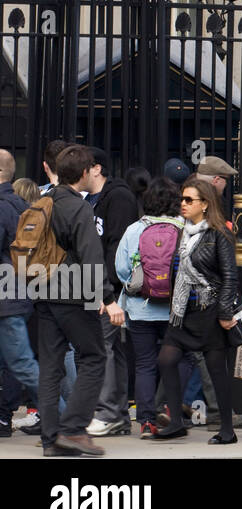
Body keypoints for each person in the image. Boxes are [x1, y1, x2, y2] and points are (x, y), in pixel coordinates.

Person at [38, 145, 122, 457]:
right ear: (85, 173)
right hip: (75, 295)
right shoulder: (80, 208)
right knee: (94, 357)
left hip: (43, 292)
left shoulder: (43, 201)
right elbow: (91, 256)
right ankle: (73, 430)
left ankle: (51, 440)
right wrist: (108, 298)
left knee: (50, 367)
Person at [150, 177, 238, 444]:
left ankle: (227, 429)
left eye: (189, 200)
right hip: (182, 312)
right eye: (182, 199)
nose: (183, 204)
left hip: (208, 312)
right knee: (166, 360)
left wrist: (224, 313)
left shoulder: (219, 234)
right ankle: (176, 421)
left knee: (216, 371)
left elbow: (230, 277)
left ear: (205, 204)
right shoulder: (182, 231)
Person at [114, 178, 187, 438]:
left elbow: (122, 269)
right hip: (175, 310)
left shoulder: (135, 229)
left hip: (140, 308)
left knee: (144, 363)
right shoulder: (185, 228)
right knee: (178, 359)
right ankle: (171, 410)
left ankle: (145, 421)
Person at [83, 148, 141, 439]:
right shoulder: (94, 199)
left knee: (102, 347)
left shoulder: (117, 197)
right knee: (110, 348)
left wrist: (107, 293)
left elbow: (115, 248)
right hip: (101, 287)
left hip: (108, 289)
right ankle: (115, 414)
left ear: (95, 169)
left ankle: (108, 412)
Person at [0, 150, 39, 436]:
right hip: (18, 291)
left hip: (6, 295)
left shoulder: (2, 205)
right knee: (16, 362)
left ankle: (64, 418)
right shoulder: (24, 207)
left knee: (21, 363)